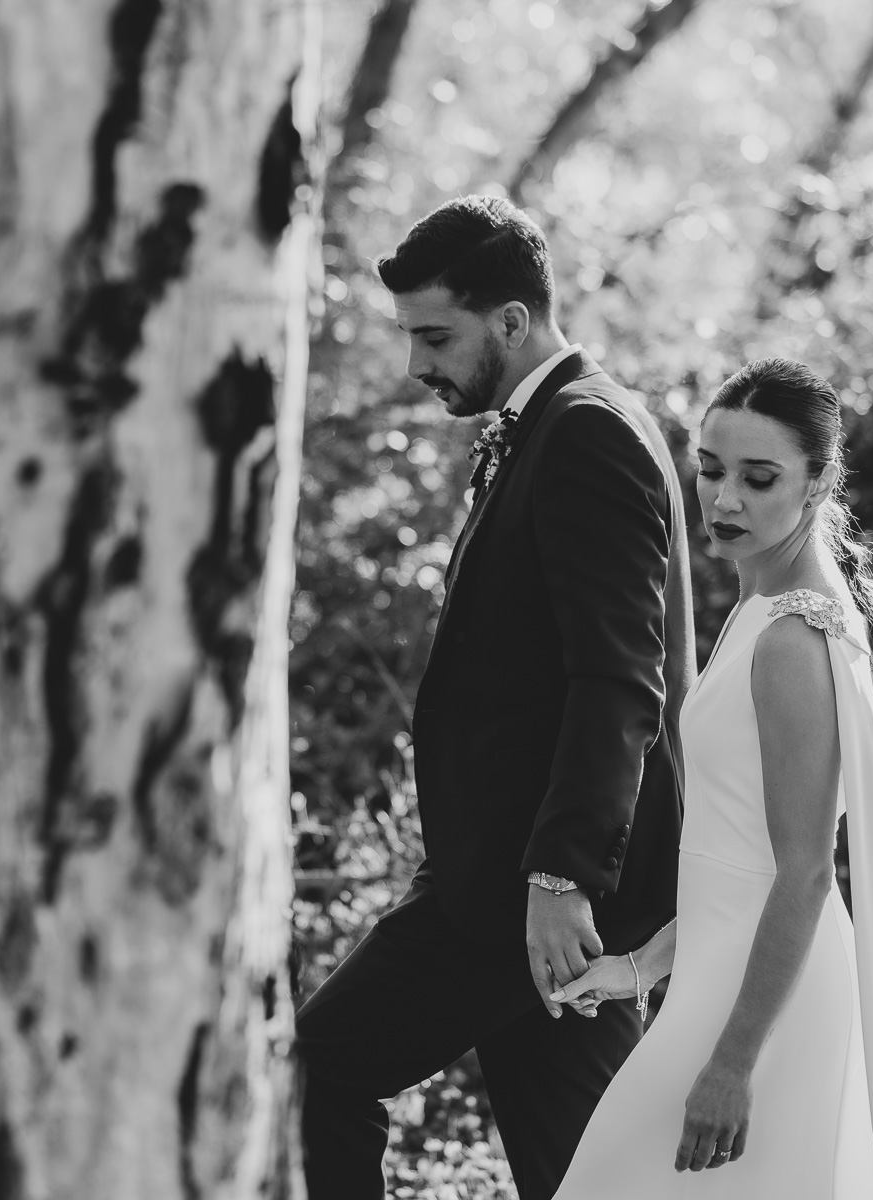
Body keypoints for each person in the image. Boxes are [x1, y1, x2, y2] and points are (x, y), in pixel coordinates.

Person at [549, 358, 873, 1198]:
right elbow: (733, 860)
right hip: (723, 982)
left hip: (763, 1017)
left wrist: (732, 1063)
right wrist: (640, 967)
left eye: (759, 479)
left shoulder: (791, 641)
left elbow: (805, 872)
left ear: (819, 483)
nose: (725, 500)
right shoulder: (763, 606)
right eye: (711, 469)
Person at [294, 195, 695, 1200]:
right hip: (528, 883)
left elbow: (619, 677)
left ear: (512, 322)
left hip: (527, 889)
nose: (416, 364)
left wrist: (562, 879)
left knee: (320, 1065)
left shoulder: (587, 432)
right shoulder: (552, 425)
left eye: (436, 337)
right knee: (587, 1175)